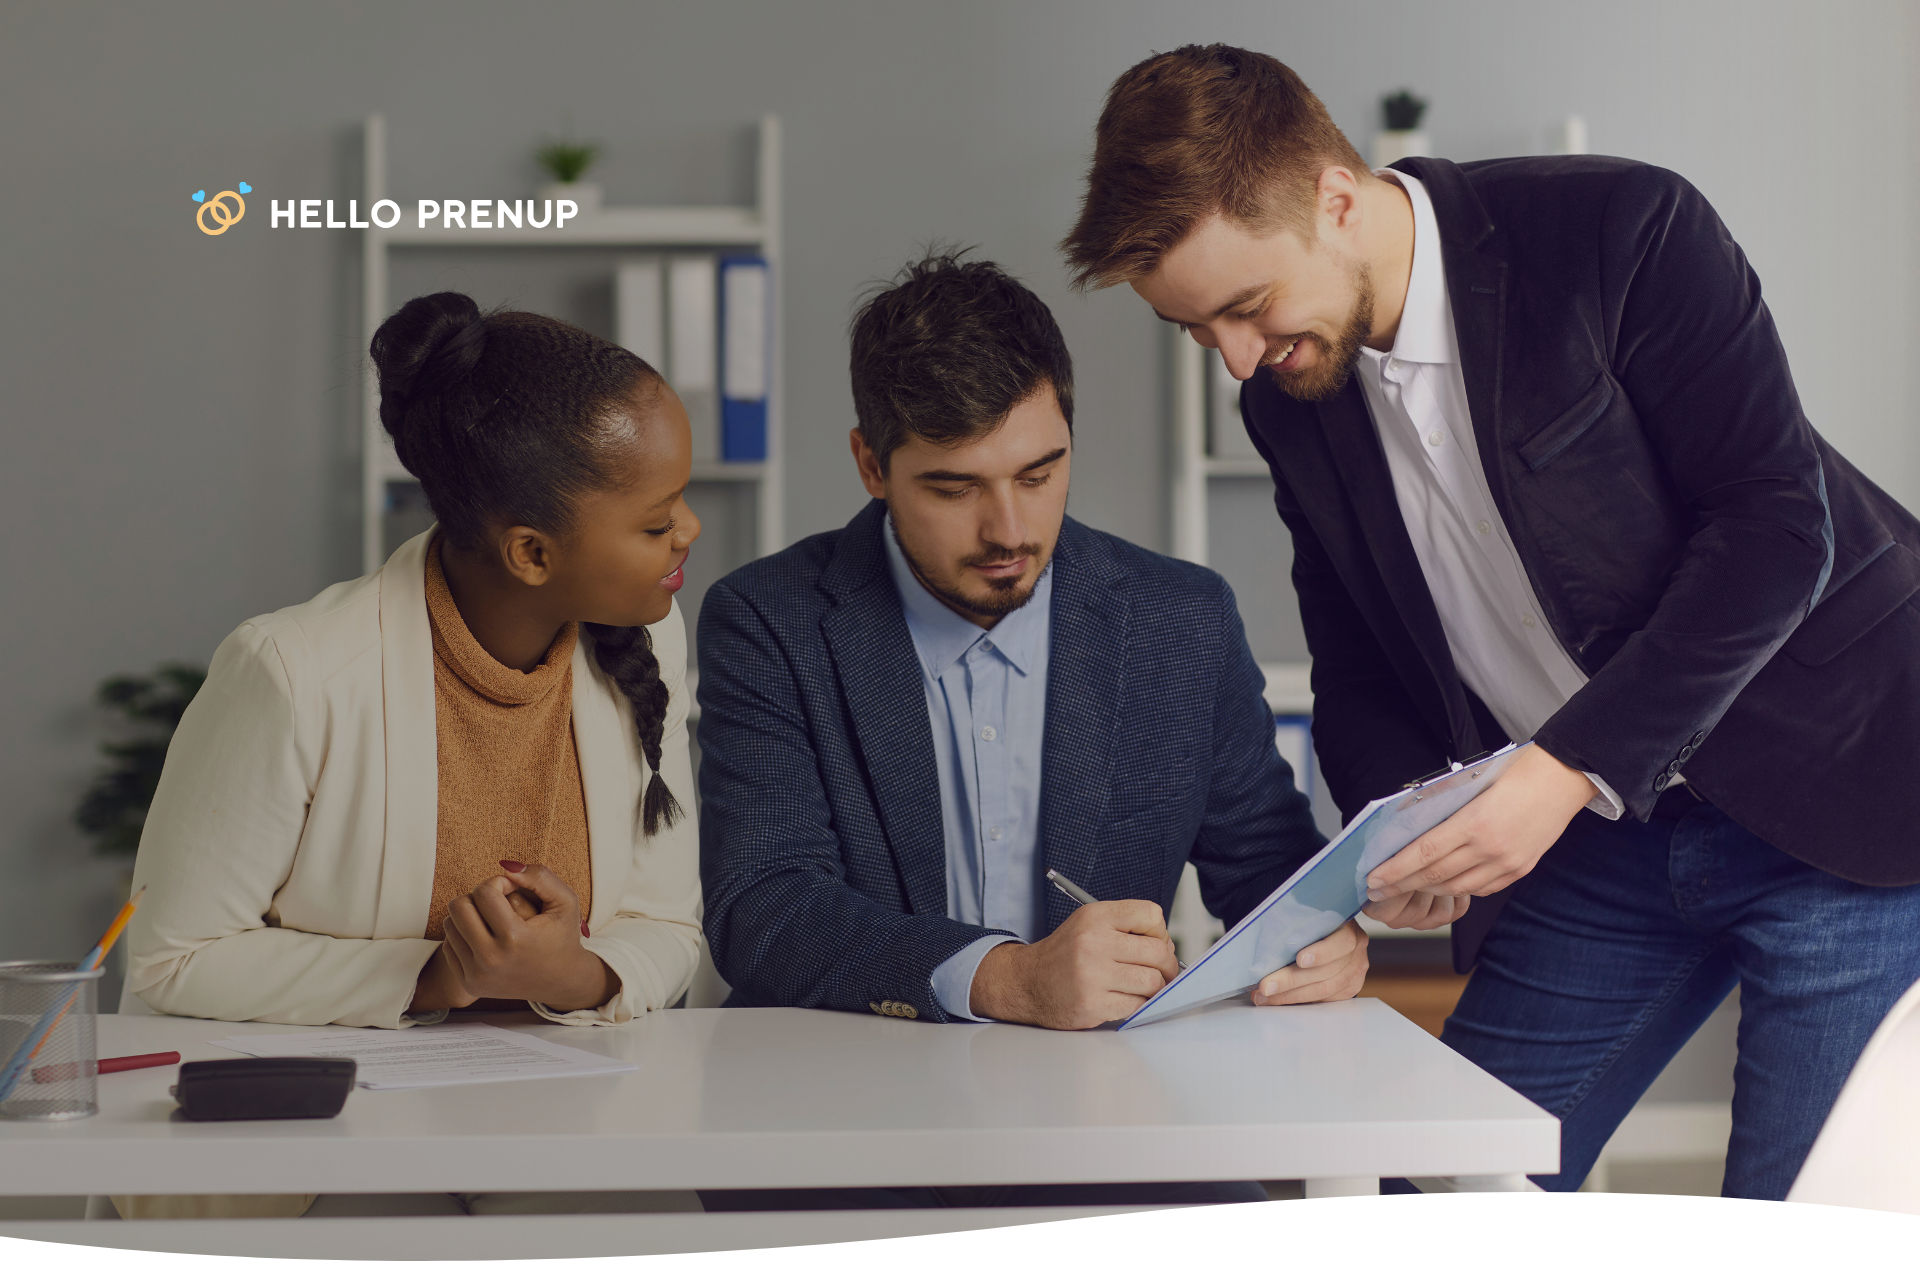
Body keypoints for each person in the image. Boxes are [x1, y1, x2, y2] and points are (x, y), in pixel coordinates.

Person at [1059, 44, 1920, 1198]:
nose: (1238, 359)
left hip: (1843, 784)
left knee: (1795, 1234)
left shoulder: (1626, 226)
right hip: (1605, 843)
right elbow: (1356, 657)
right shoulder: (1293, 401)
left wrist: (1562, 770)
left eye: (1246, 307)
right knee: (1437, 1199)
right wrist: (1409, 823)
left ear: (1334, 193)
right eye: (1196, 332)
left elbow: (1775, 533)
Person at [694, 251, 1425, 1212]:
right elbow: (763, 911)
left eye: (1040, 473)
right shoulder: (768, 617)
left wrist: (1316, 936)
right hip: (835, 1129)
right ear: (871, 465)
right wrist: (1008, 978)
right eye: (954, 489)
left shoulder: (1181, 619)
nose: (1009, 530)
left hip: (1108, 1124)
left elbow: (1267, 866)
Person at [121, 292, 704, 1218]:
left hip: (557, 1126)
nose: (689, 533)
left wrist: (574, 974)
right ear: (530, 552)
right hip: (323, 1152)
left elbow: (669, 927)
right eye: (655, 520)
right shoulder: (290, 671)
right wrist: (436, 975)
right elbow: (170, 960)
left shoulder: (647, 646)